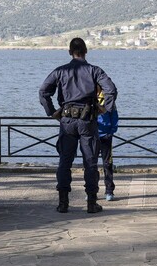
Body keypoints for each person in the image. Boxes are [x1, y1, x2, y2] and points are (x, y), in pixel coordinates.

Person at [39, 37, 117, 213]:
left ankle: (63, 203)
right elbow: (111, 89)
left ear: (69, 52)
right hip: (88, 121)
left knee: (64, 162)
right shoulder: (94, 71)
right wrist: (105, 109)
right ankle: (91, 203)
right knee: (90, 162)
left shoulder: (60, 71)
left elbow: (43, 92)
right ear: (86, 51)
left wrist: (51, 112)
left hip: (67, 121)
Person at [96, 86, 118, 201]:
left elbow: (114, 114)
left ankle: (109, 191)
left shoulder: (108, 98)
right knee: (90, 165)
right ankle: (91, 191)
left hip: (106, 135)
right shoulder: (87, 95)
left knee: (108, 164)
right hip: (92, 136)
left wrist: (112, 131)